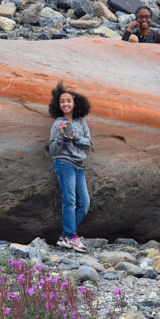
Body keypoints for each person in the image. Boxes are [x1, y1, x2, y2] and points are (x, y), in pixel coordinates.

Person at [48, 82, 92, 251]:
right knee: (70, 201)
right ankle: (72, 237)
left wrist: (74, 137)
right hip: (64, 163)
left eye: (68, 101)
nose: (65, 104)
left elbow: (88, 144)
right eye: (61, 102)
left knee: (84, 203)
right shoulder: (57, 123)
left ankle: (66, 235)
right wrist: (60, 135)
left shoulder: (81, 123)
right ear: (58, 106)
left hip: (79, 165)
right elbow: (53, 150)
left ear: (74, 103)